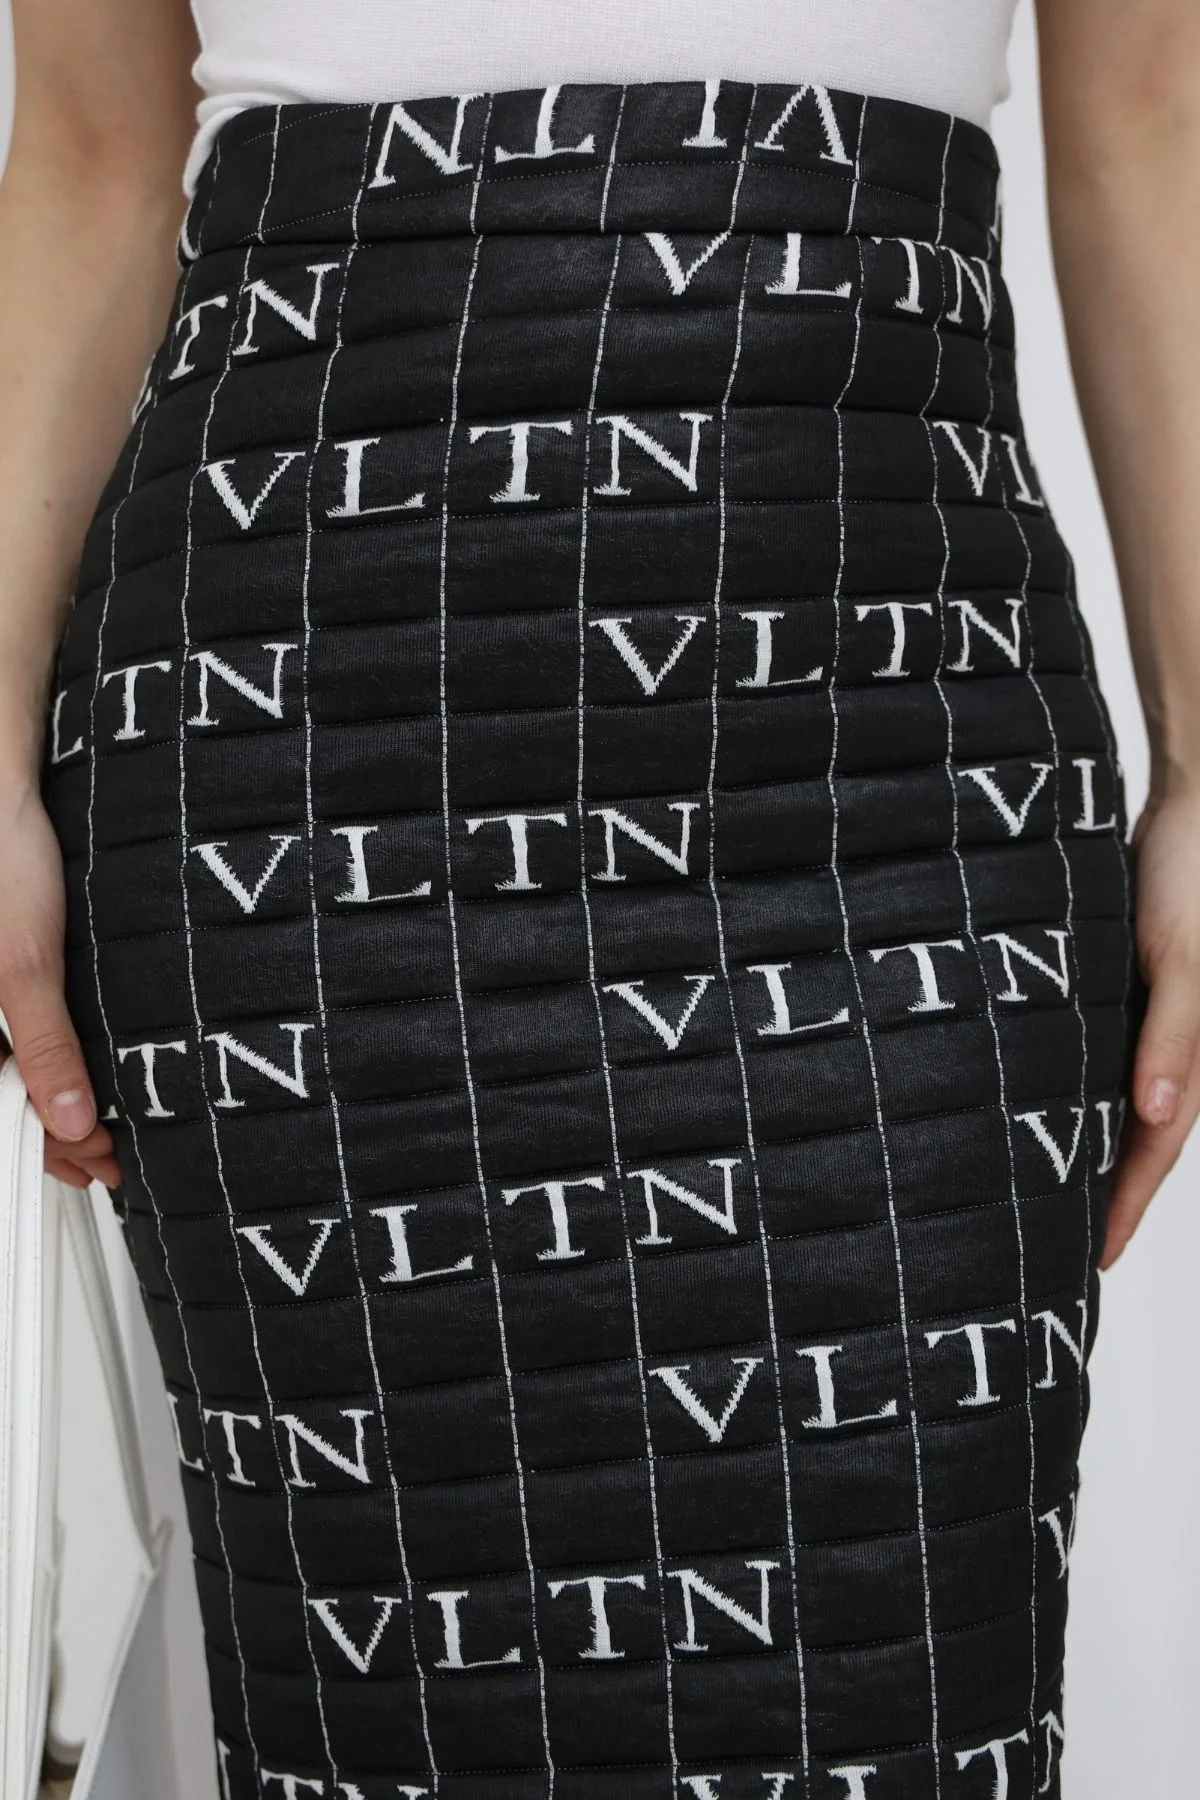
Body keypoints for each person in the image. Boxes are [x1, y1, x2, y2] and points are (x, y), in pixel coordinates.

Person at [1, 2, 1197, 1795]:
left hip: (890, 722)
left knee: (908, 1684)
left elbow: (1152, 116)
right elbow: (96, 154)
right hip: (309, 729)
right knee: (380, 1717)